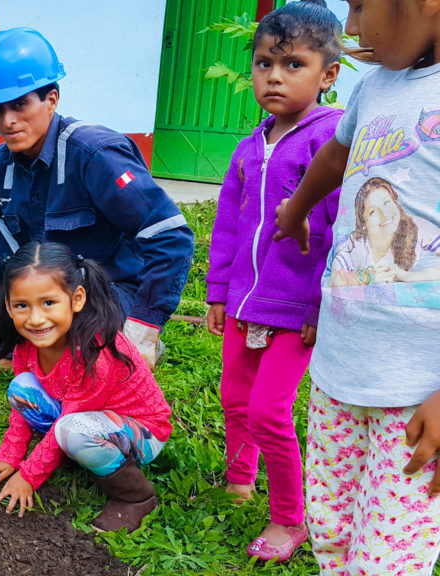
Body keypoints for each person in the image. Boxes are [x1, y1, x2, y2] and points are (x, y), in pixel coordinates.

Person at [0, 28, 194, 382]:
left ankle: (116, 343)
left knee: (87, 367)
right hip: (45, 293)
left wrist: (145, 325)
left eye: (20, 105)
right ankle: (11, 354)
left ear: (51, 99)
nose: (7, 121)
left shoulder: (95, 155)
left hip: (106, 293)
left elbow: (171, 236)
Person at [274, 1, 440, 573]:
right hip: (340, 371)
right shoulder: (376, 85)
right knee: (333, 533)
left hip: (420, 393)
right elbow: (339, 155)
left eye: (361, 5)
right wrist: (295, 211)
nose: (350, 27)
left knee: (389, 559)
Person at [205, 0, 343, 562]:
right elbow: (229, 224)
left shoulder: (329, 143)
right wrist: (219, 293)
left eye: (293, 65)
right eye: (265, 63)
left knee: (268, 411)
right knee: (234, 398)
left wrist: (318, 306)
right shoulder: (249, 146)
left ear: (328, 74)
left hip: (295, 311)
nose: (274, 77)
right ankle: (240, 480)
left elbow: (337, 229)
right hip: (244, 303)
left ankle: (290, 518)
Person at [0, 242, 171, 533]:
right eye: (22, 306)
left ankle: (135, 498)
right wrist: (8, 457)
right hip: (86, 418)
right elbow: (24, 412)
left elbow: (69, 419)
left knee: (71, 430)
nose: (36, 319)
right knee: (21, 389)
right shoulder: (28, 347)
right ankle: (77, 448)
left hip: (142, 431)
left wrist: (28, 476)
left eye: (48, 303)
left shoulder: (95, 352)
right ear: (8, 306)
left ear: (76, 299)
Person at [329, 176, 440, 286]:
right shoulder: (355, 245)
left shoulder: (416, 227)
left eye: (387, 203)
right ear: (363, 224)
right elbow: (334, 280)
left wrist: (408, 276)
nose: (384, 214)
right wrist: (368, 277)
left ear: (396, 203)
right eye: (373, 212)